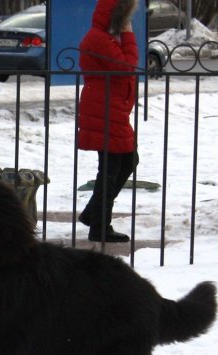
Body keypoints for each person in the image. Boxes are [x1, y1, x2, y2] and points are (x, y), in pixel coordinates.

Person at [77, 0, 140, 243]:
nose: (128, 22)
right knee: (110, 169)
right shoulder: (99, 39)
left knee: (127, 161)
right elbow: (127, 66)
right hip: (104, 110)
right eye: (125, 17)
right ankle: (100, 226)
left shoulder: (106, 38)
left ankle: (93, 214)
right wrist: (128, 36)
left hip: (113, 110)